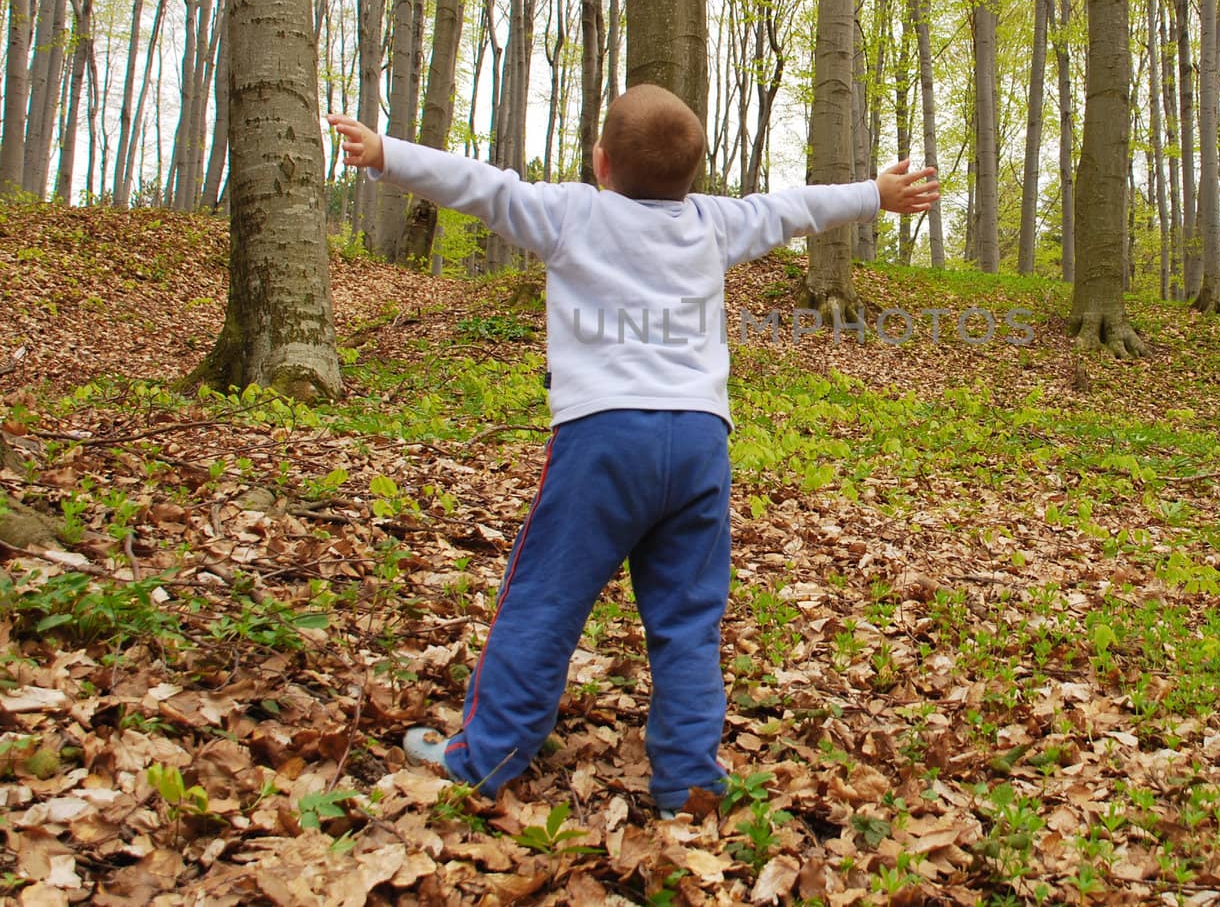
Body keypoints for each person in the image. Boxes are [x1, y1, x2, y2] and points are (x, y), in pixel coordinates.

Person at [328, 85, 937, 814]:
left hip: (603, 441)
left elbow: (480, 185)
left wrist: (386, 152)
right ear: (693, 174)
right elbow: (795, 208)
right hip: (700, 444)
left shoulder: (571, 213)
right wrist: (876, 192)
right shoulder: (714, 222)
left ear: (601, 163)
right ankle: (686, 785)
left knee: (545, 600)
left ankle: (487, 759)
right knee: (687, 619)